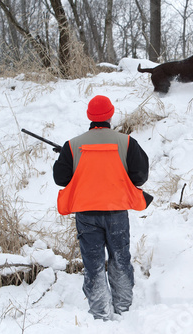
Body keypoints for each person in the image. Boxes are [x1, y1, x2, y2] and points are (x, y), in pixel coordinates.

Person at [53, 95, 152, 320]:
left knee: (93, 262)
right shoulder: (126, 142)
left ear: (89, 116)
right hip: (116, 212)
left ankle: (100, 312)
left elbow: (60, 178)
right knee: (120, 258)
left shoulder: (72, 145)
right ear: (109, 114)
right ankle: (124, 308)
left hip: (86, 214)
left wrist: (69, 159)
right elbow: (140, 176)